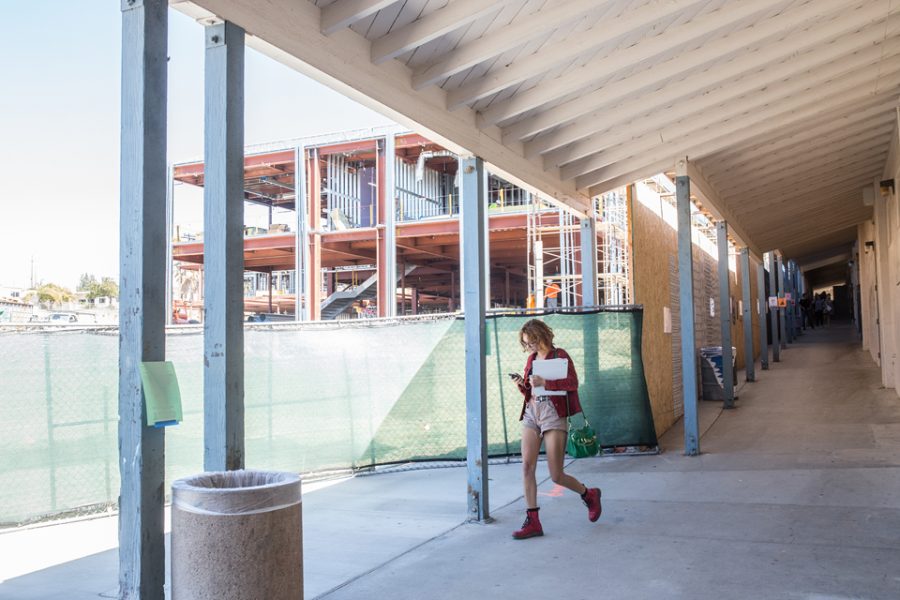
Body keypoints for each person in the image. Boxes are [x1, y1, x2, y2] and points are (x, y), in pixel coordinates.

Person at [509, 319, 601, 540]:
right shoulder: (531, 360)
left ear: (541, 336)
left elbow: (572, 383)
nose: (529, 347)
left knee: (556, 475)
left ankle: (589, 494)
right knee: (526, 467)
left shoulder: (560, 355)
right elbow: (531, 390)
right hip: (533, 411)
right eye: (526, 344)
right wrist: (523, 385)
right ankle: (533, 521)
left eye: (531, 342)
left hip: (553, 413)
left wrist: (546, 383)